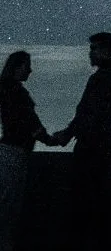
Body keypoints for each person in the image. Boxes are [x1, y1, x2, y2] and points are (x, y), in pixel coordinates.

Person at [52, 32, 111, 249]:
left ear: (104, 51)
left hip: (93, 141)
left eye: (94, 48)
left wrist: (68, 133)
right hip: (101, 138)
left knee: (85, 193)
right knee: (96, 192)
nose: (90, 53)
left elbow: (89, 112)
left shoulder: (101, 78)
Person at [0, 50, 54, 251]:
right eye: (27, 66)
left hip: (9, 152)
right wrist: (49, 139)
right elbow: (30, 123)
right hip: (15, 154)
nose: (30, 70)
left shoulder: (7, 90)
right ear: (18, 67)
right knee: (9, 209)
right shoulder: (16, 93)